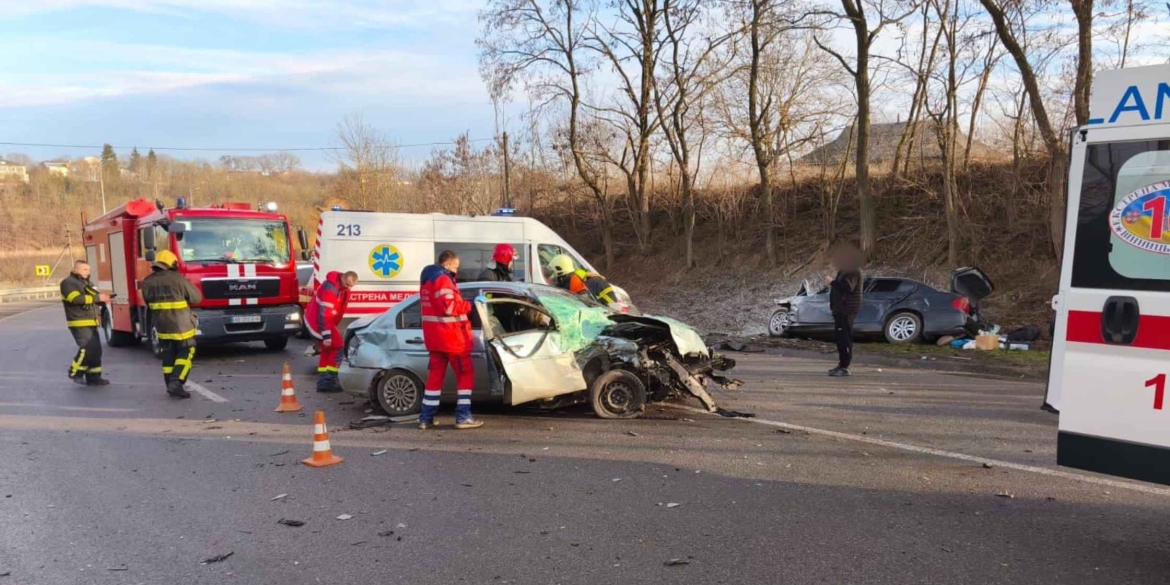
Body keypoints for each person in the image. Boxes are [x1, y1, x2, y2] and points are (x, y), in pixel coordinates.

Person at [419, 250, 482, 430]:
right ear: (447, 264)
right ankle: (463, 417)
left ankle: (426, 418)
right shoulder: (442, 279)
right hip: (452, 338)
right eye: (455, 267)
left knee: (434, 379)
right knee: (465, 375)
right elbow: (449, 307)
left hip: (435, 338)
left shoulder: (427, 281)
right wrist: (472, 304)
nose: (456, 271)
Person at [141, 250, 203, 398]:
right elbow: (196, 298)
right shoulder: (178, 279)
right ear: (173, 264)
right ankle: (176, 382)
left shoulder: (148, 281)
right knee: (186, 352)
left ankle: (169, 384)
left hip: (161, 326)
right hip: (182, 325)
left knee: (168, 355)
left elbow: (148, 302)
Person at [304, 270, 357, 392]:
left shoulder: (338, 286)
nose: (348, 288)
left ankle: (323, 381)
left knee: (327, 350)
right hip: (320, 323)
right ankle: (328, 381)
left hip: (319, 322)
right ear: (343, 278)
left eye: (351, 286)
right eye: (347, 285)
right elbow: (324, 314)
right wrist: (327, 336)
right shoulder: (331, 290)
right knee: (338, 347)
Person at [60, 260, 110, 386]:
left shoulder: (87, 283)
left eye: (88, 269)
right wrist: (97, 298)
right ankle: (75, 372)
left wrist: (103, 299)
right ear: (75, 269)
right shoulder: (68, 283)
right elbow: (75, 299)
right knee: (87, 348)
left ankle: (94, 377)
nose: (87, 272)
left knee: (96, 350)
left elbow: (94, 297)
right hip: (78, 321)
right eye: (84, 269)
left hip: (91, 321)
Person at [825, 243, 863, 377]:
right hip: (840, 309)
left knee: (844, 338)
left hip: (846, 309)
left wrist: (832, 282)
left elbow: (847, 289)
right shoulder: (844, 271)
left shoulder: (852, 271)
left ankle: (844, 366)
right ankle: (841, 364)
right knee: (840, 338)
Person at [547, 254, 618, 306]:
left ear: (559, 270)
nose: (552, 277)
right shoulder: (568, 282)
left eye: (553, 272)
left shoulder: (575, 284)